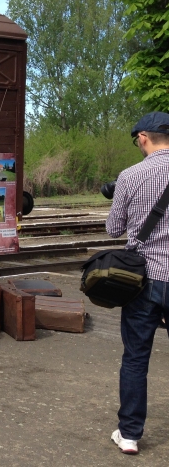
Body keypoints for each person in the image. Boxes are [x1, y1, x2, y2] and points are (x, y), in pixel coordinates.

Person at [106, 111, 169, 455]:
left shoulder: (131, 176)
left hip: (145, 280)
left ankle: (129, 434)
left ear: (143, 137)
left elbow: (114, 229)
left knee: (135, 358)